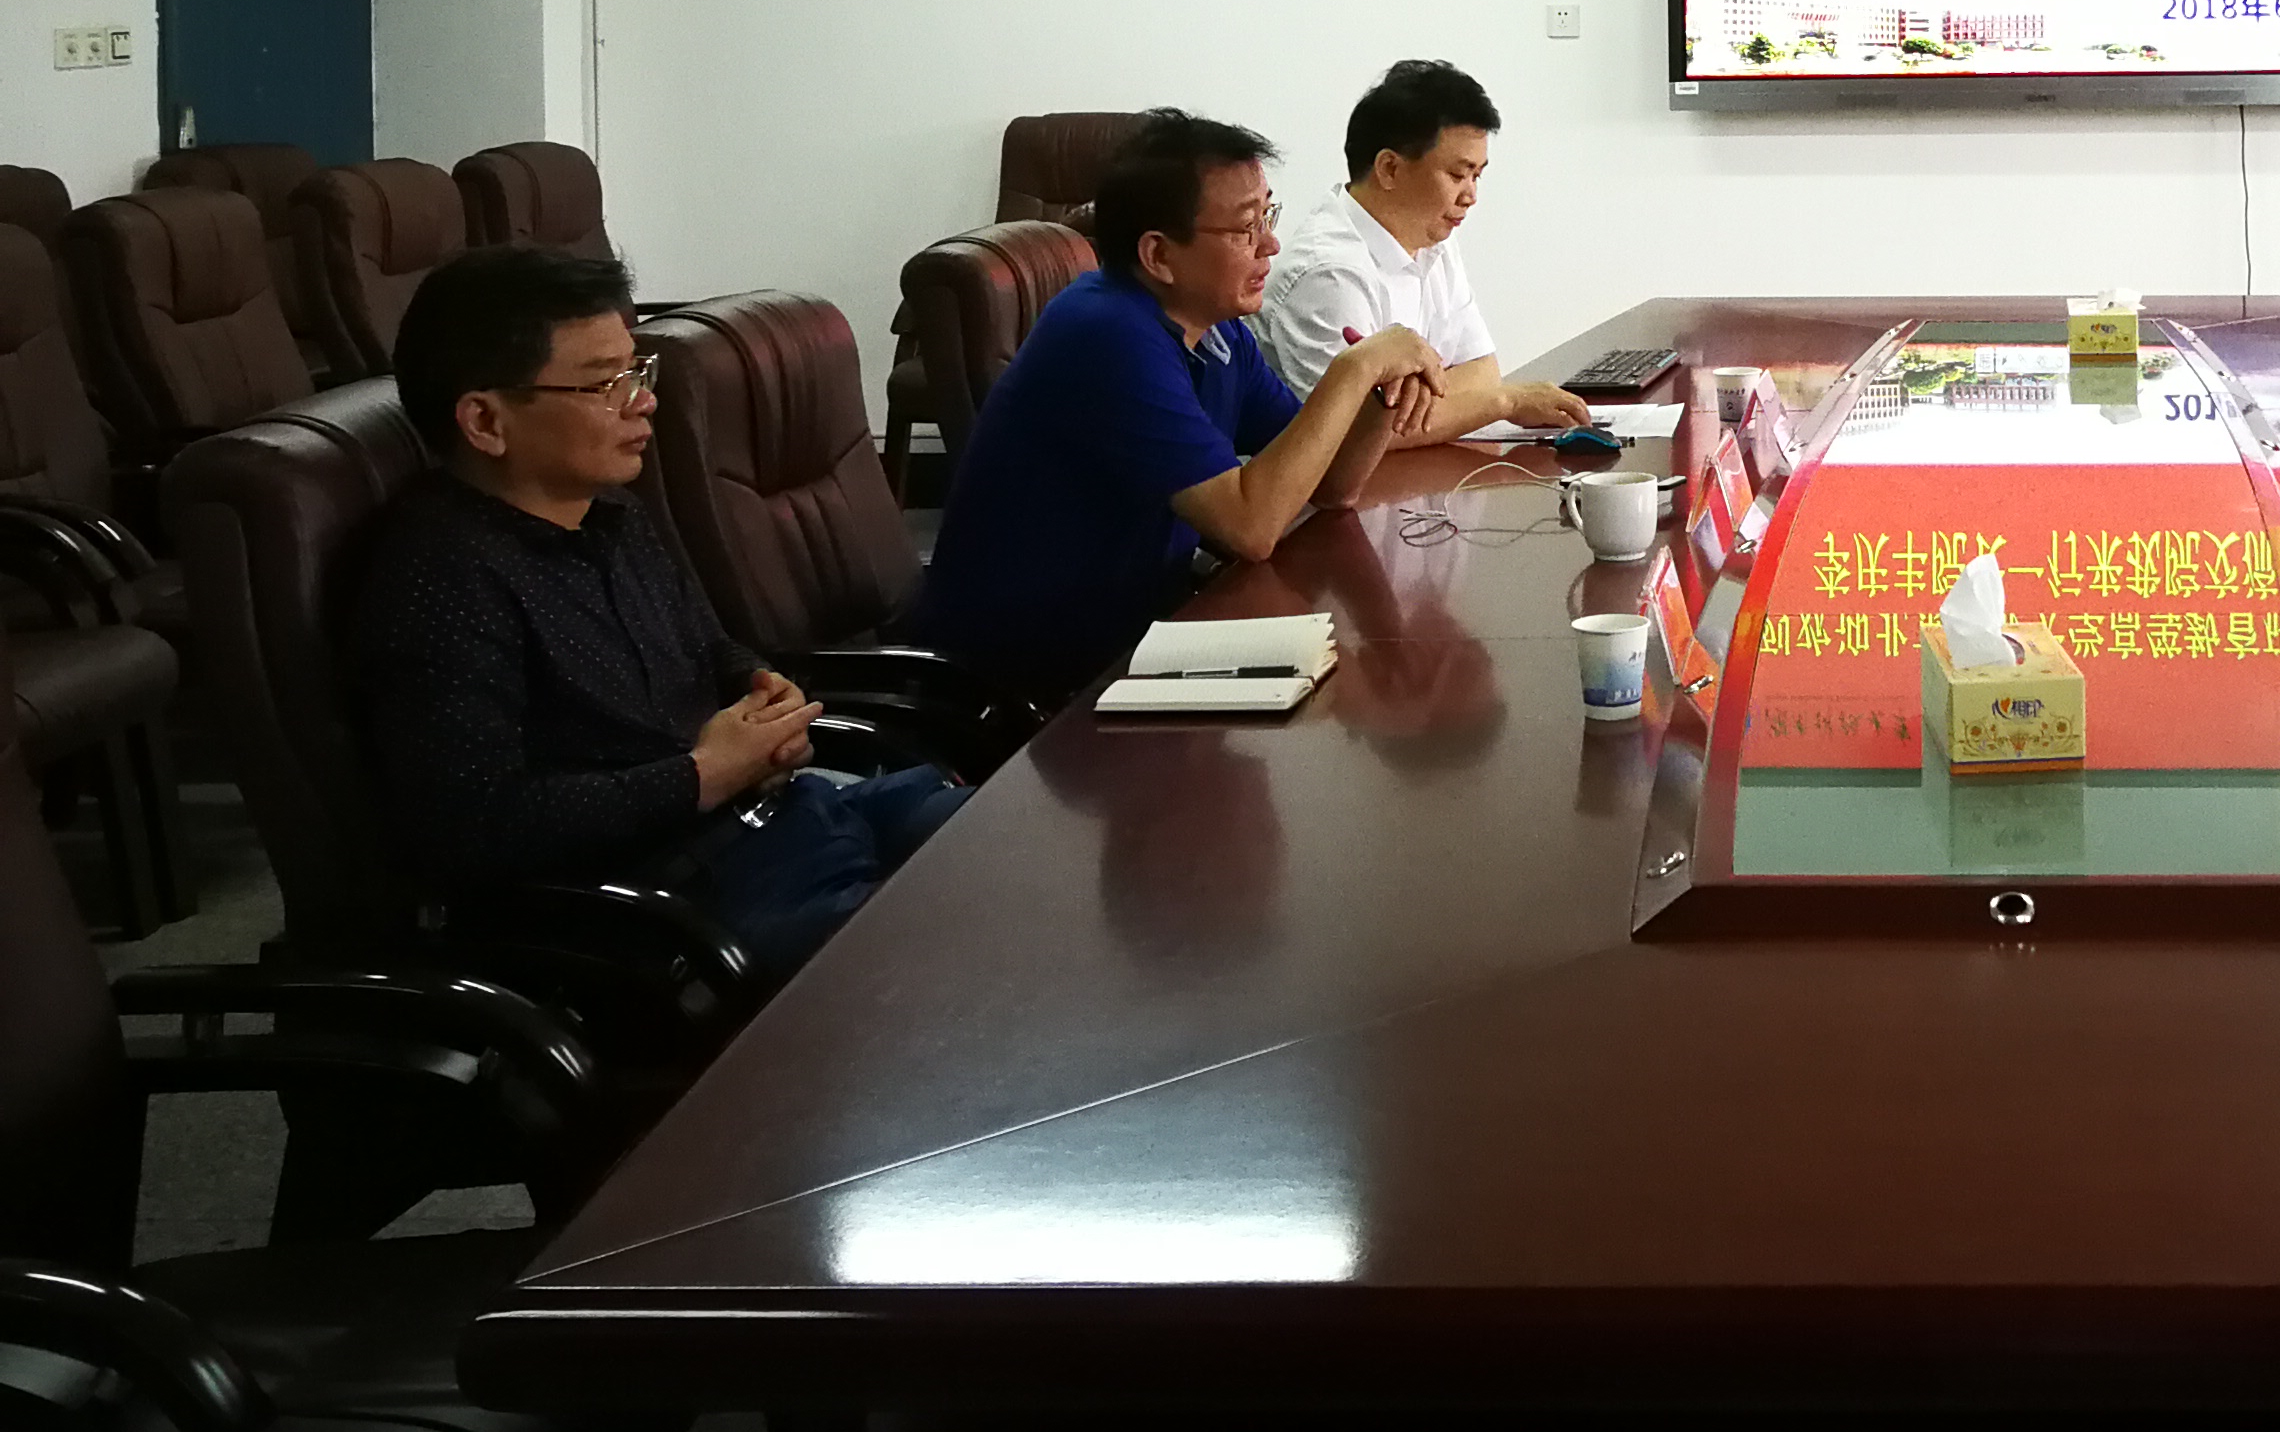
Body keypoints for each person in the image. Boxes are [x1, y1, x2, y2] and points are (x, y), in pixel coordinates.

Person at [353, 246, 965, 983]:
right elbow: (474, 824)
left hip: (784, 817)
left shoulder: (609, 511)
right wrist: (702, 774)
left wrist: (759, 689)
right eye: (604, 384)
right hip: (678, 905)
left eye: (637, 373)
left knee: (1016, 843)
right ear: (485, 421)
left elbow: (709, 648)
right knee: (966, 957)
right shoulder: (442, 579)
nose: (643, 402)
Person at [910, 111, 1438, 698]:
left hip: (1136, 636)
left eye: (1268, 215)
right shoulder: (1108, 333)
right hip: (1025, 680)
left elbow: (1332, 486)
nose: (1270, 244)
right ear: (1158, 255)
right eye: (1246, 228)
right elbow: (1250, 528)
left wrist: (1382, 396)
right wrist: (1353, 368)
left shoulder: (1216, 329)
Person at [1257, 58, 1589, 443]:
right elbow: (1356, 436)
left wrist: (1415, 404)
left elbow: (1483, 369)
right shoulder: (1328, 273)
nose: (1471, 196)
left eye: (1477, 175)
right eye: (1457, 175)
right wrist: (1505, 403)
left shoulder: (1436, 240)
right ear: (1389, 169)